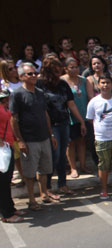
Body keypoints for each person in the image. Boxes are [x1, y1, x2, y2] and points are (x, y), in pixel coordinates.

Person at [9, 63, 57, 210]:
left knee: (44, 169)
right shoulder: (17, 94)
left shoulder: (40, 92)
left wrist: (51, 134)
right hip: (29, 140)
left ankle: (44, 194)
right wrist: (20, 140)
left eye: (35, 73)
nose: (34, 76)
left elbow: (45, 114)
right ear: (22, 76)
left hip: (44, 137)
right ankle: (31, 199)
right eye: (30, 74)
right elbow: (14, 119)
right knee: (29, 172)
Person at [37, 57, 87, 196]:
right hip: (50, 125)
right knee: (53, 156)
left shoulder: (63, 84)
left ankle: (62, 184)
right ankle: (46, 188)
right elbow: (42, 108)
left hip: (64, 123)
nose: (58, 71)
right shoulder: (40, 84)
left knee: (61, 156)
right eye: (55, 69)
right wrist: (49, 129)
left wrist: (81, 121)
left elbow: (71, 104)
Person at [61, 58, 91, 178]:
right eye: (71, 67)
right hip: (69, 116)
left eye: (76, 66)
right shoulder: (62, 81)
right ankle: (73, 168)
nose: (74, 69)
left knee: (82, 141)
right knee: (71, 143)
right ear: (66, 68)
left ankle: (83, 165)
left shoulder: (84, 80)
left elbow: (89, 97)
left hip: (83, 114)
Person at [0, 89, 25, 222]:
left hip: (8, 146)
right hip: (2, 148)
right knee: (3, 182)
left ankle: (10, 208)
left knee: (6, 181)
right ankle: (7, 214)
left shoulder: (4, 107)